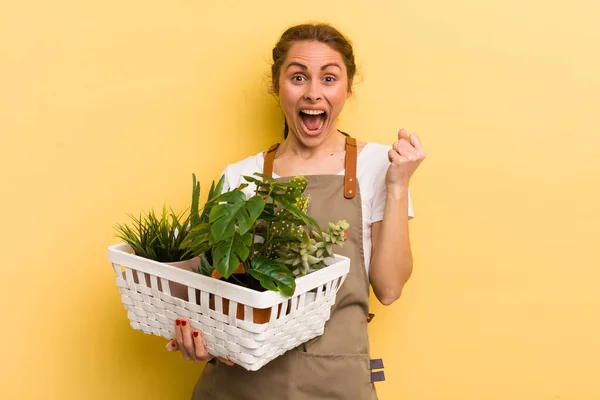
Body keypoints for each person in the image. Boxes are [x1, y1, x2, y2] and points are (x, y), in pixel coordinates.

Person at [167, 22, 425, 399]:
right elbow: (213, 287)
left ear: (348, 87)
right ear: (276, 86)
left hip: (334, 385)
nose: (313, 94)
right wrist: (199, 336)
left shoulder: (376, 167)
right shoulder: (240, 176)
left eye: (329, 78)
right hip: (239, 386)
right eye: (298, 77)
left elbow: (388, 289)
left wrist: (399, 184)